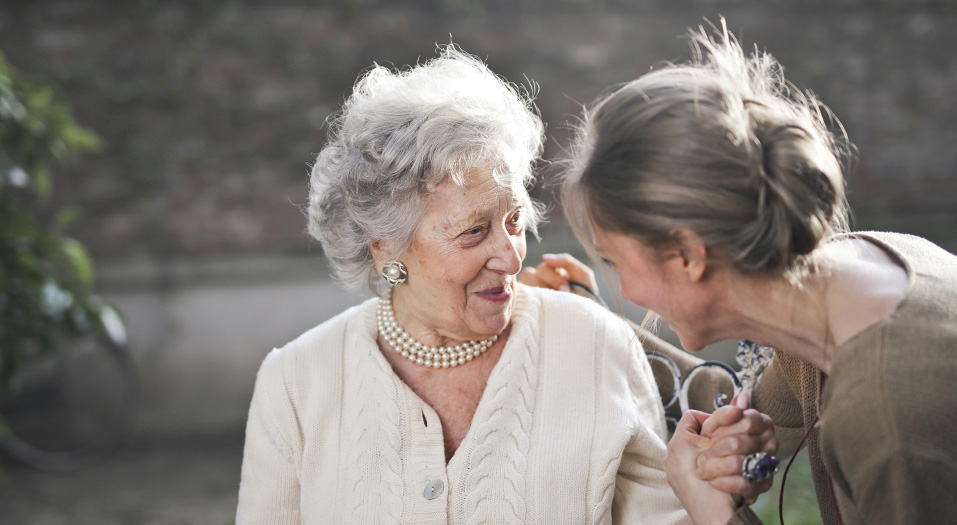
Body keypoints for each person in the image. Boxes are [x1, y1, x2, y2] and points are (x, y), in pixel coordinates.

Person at [235, 45, 776, 524]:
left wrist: (709, 493)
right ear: (385, 246)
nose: (511, 255)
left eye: (514, 221)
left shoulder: (592, 343)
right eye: (474, 232)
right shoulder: (295, 382)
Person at [548, 20, 957, 524]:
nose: (624, 286)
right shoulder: (855, 275)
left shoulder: (894, 426)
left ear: (688, 256)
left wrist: (714, 513)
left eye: (613, 260)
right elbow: (740, 406)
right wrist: (584, 318)